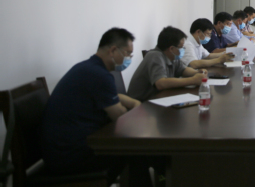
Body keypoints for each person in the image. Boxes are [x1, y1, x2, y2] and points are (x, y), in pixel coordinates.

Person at [41, 28, 149, 185]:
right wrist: (142, 116)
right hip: (68, 156)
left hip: (58, 151)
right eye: (128, 54)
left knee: (134, 147)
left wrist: (133, 103)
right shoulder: (100, 75)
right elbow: (121, 118)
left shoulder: (88, 68)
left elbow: (111, 97)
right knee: (136, 149)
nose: (129, 58)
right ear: (113, 50)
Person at [127, 26, 209, 102]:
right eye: (181, 47)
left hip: (159, 98)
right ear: (171, 49)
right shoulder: (155, 56)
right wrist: (193, 80)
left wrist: (197, 72)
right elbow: (161, 83)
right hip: (141, 103)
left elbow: (183, 69)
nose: (183, 49)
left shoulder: (172, 56)